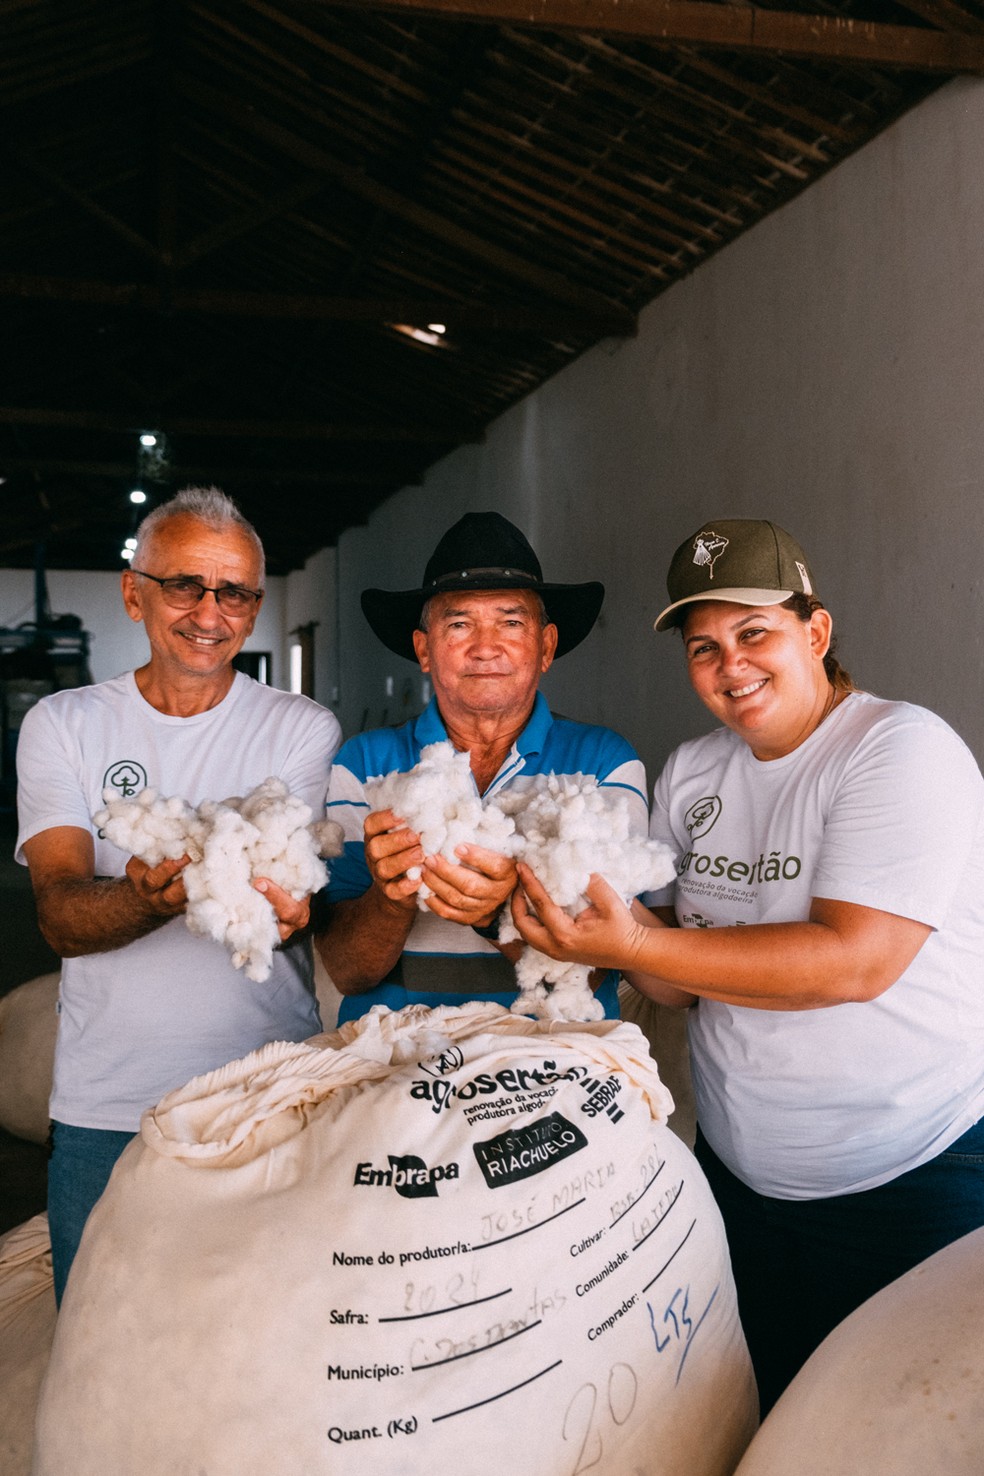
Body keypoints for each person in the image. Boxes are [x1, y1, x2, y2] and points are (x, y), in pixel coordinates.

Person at [511, 517, 984, 1413]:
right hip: (740, 1182)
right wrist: (553, 921)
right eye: (703, 648)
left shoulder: (899, 750)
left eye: (754, 632)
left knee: (911, 1434)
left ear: (817, 630)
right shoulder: (692, 774)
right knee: (762, 1426)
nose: (731, 666)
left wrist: (635, 943)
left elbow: (856, 961)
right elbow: (675, 981)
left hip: (910, 1175)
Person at [15, 487, 342, 1303]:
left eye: (234, 591)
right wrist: (148, 901)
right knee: (98, 1348)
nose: (209, 611)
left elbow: (291, 895)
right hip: (108, 1105)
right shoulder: (64, 723)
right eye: (184, 584)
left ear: (255, 606)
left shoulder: (302, 728)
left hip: (265, 1095)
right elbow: (59, 914)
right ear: (135, 592)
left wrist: (295, 911)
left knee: (262, 1340)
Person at [314, 510, 647, 1022]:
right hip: (398, 1062)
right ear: (424, 649)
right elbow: (348, 973)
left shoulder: (604, 763)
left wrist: (497, 915)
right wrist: (390, 897)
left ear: (546, 647)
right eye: (459, 623)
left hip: (554, 1068)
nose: (485, 646)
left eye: (511, 622)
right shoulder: (363, 765)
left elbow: (603, 966)